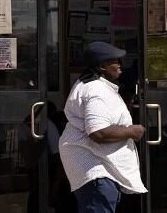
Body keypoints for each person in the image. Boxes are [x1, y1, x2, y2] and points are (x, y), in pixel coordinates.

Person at [58, 41, 148, 213]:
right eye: (115, 61)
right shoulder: (96, 91)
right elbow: (98, 132)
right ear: (101, 66)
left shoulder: (91, 85)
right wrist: (132, 131)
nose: (120, 65)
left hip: (98, 168)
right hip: (96, 169)